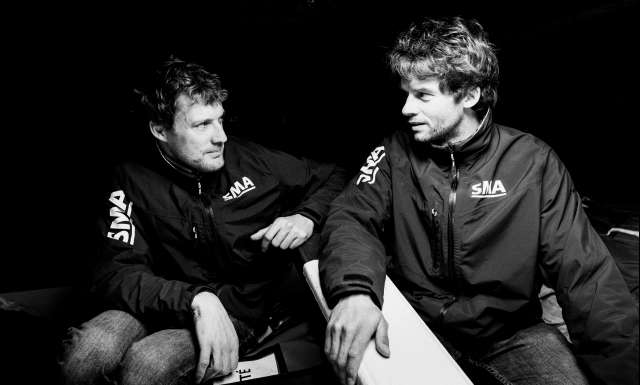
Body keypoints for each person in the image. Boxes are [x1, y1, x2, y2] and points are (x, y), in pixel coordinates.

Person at [320, 16, 638, 385]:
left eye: (423, 95)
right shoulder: (395, 152)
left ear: (469, 95)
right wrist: (355, 292)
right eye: (406, 92)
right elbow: (351, 216)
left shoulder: (532, 162)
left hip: (511, 333)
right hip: (418, 322)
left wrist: (624, 375)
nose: (406, 108)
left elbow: (587, 276)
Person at [60, 57, 347, 385]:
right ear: (160, 130)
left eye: (220, 120)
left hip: (237, 310)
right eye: (201, 125)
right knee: (86, 355)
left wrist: (305, 216)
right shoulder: (129, 178)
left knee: (146, 365)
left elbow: (336, 176)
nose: (221, 137)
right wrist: (196, 299)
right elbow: (114, 273)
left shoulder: (252, 161)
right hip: (157, 303)